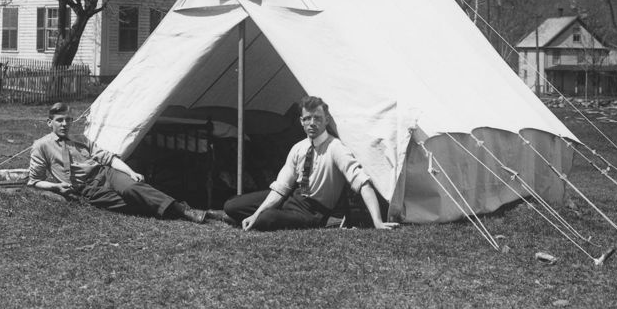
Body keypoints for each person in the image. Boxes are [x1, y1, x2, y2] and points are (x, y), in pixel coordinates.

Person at [223, 95, 398, 231]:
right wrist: (256, 213)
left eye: (317, 118)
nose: (312, 123)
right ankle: (259, 216)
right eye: (307, 119)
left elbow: (363, 183)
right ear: (301, 121)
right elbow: (281, 188)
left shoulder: (335, 147)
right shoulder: (298, 148)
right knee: (232, 206)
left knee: (265, 220)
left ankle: (269, 217)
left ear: (326, 120)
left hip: (313, 211)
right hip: (293, 198)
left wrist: (377, 221)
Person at [27, 102, 208, 223]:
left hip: (105, 173)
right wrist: (56, 187)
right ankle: (180, 208)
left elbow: (108, 158)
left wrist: (130, 172)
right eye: (59, 120)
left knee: (132, 188)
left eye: (68, 120)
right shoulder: (41, 146)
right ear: (49, 122)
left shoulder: (80, 138)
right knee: (129, 204)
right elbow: (34, 181)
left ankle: (184, 211)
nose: (65, 124)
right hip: (86, 189)